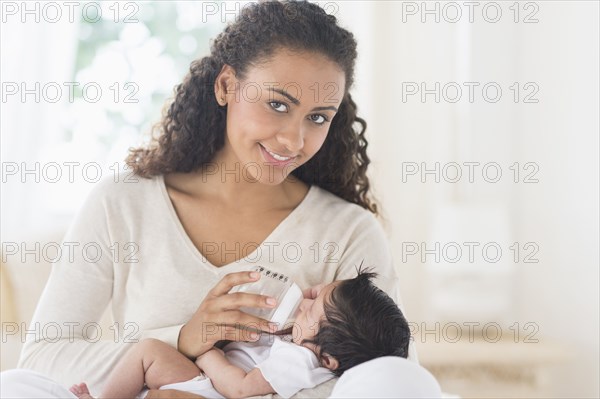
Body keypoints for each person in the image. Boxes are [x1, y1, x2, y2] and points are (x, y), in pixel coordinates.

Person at [1, 1, 419, 398]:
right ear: (226, 85)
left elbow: (389, 381)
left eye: (318, 117)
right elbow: (42, 360)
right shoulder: (122, 205)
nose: (294, 139)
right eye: (277, 104)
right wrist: (181, 339)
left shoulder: (347, 232)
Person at [68, 269, 411, 399]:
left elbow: (241, 387)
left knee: (154, 368)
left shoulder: (303, 360)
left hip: (213, 390)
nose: (307, 298)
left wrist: (206, 353)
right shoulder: (306, 342)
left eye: (313, 307)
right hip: (205, 382)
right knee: (148, 353)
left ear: (328, 357)